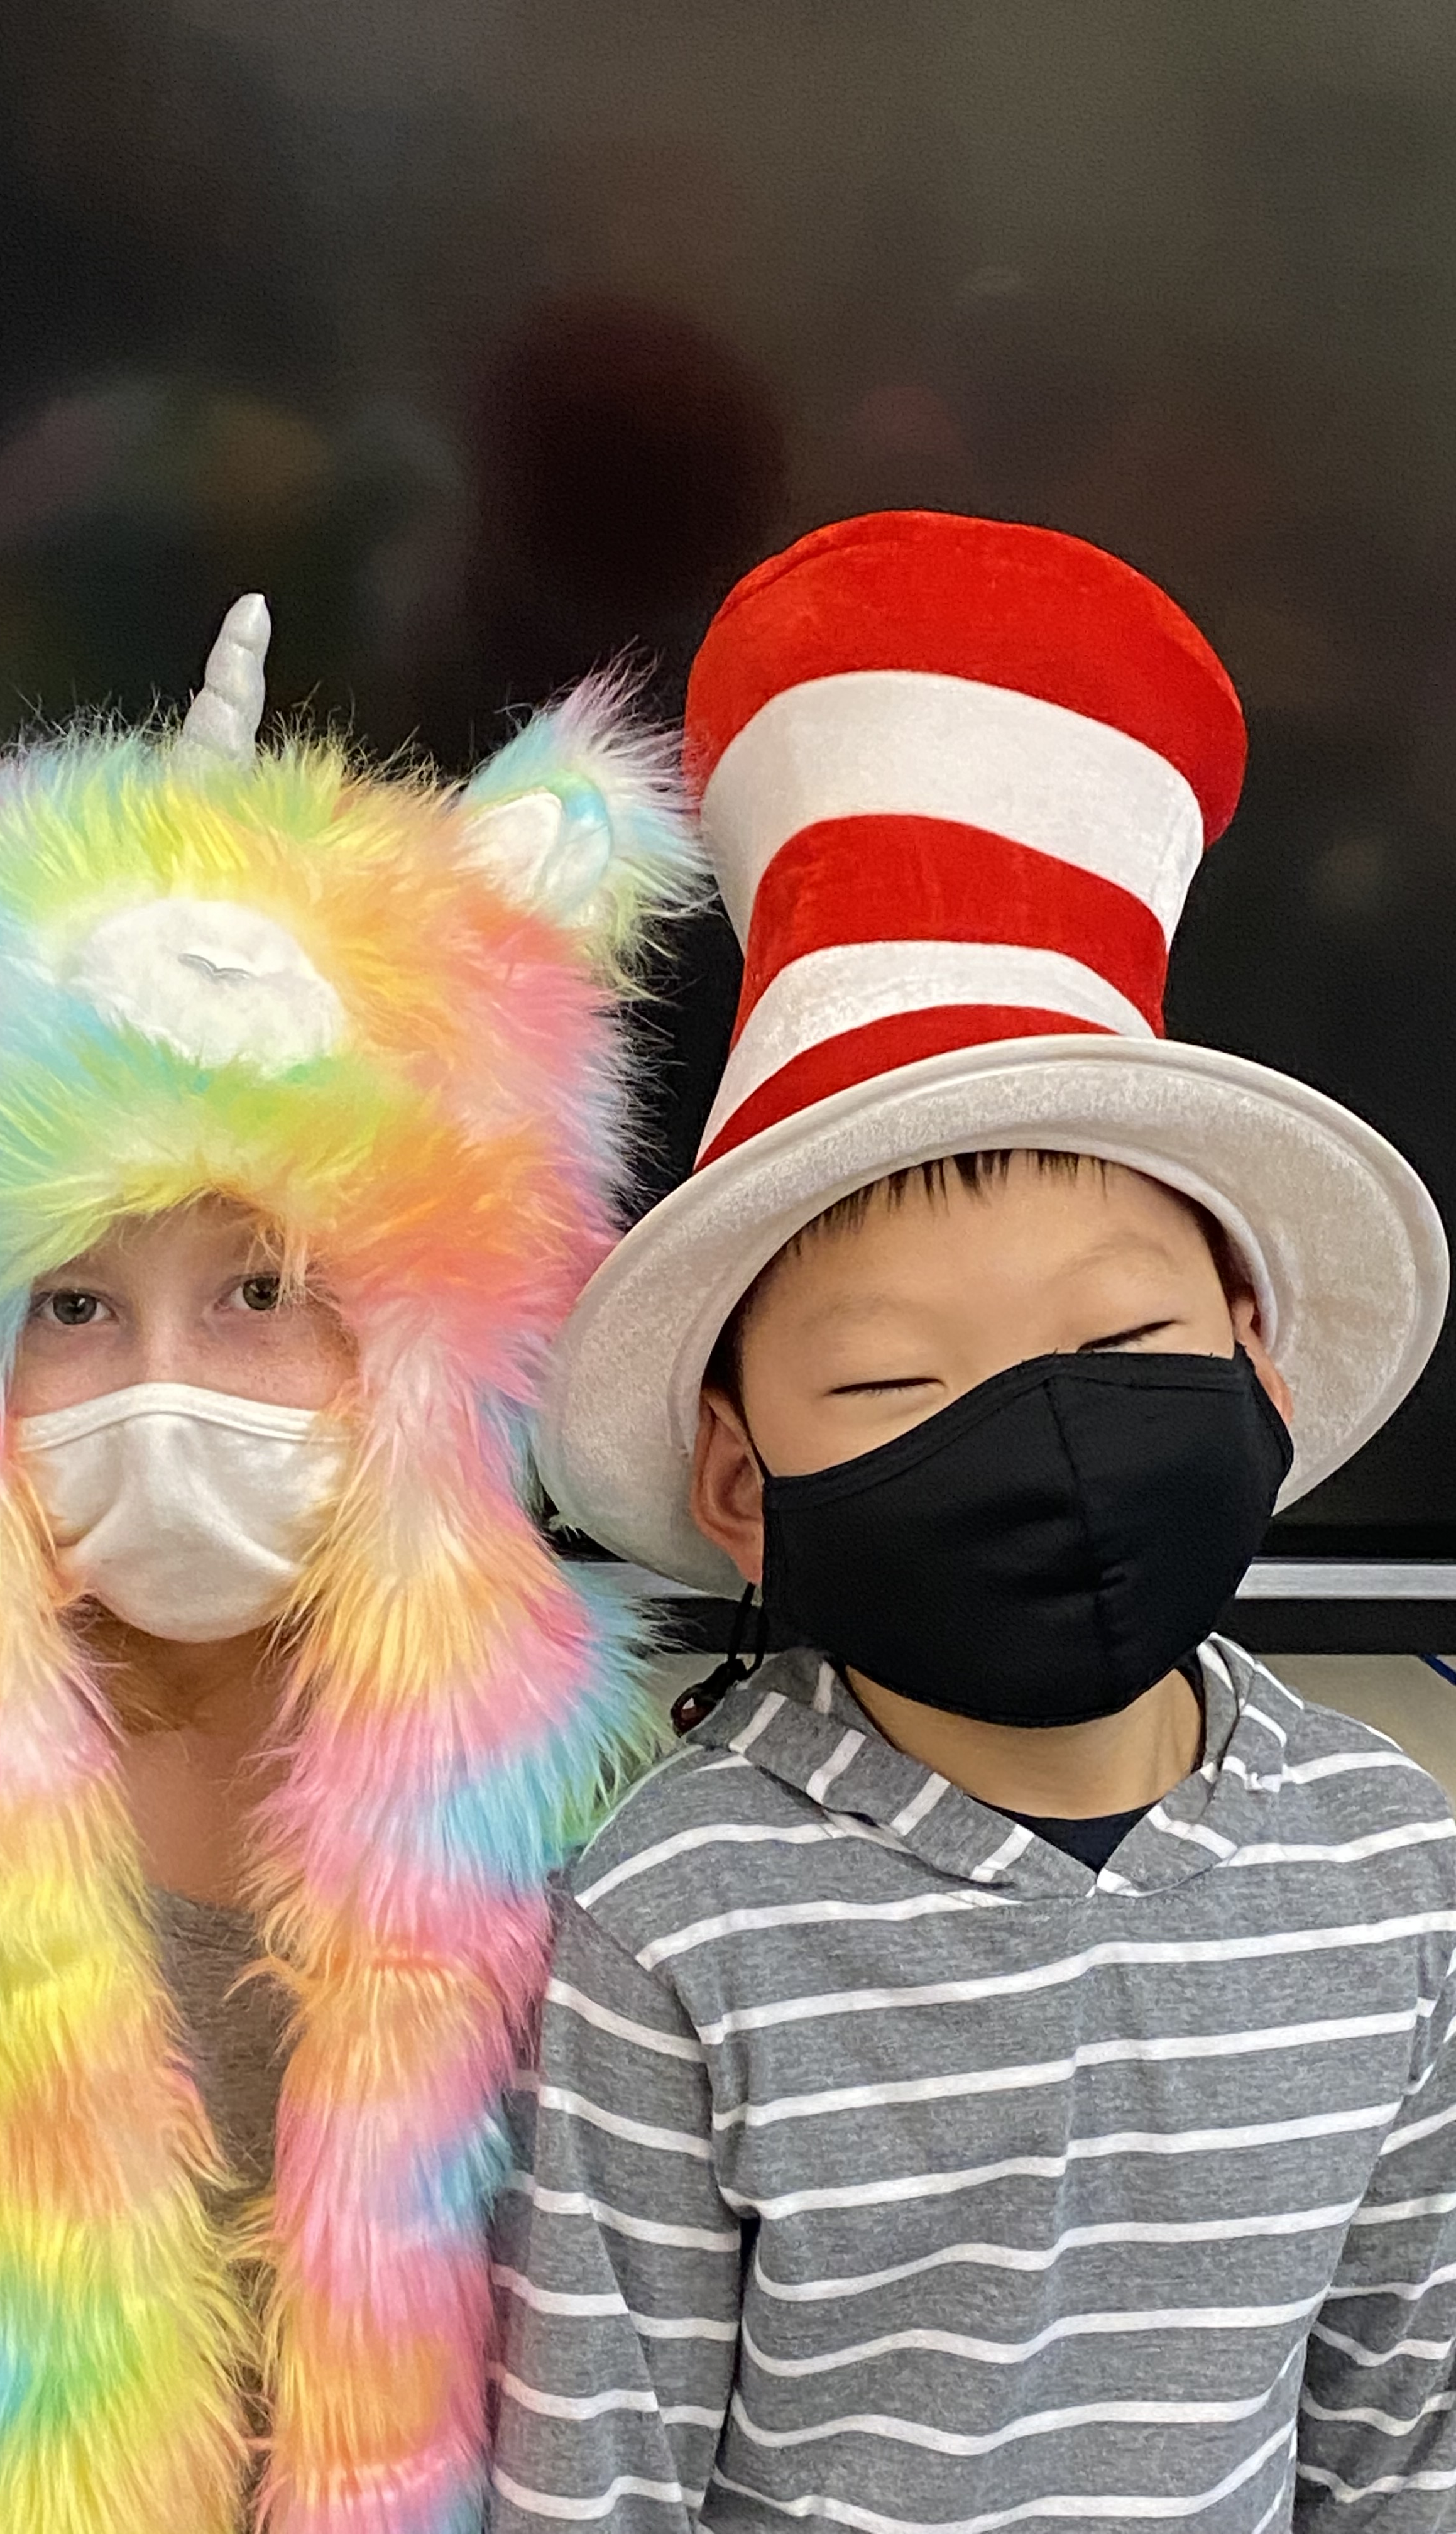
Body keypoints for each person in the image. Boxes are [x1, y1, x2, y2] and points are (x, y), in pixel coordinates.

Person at [0, 595, 702, 2534]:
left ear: (416, 1330)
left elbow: (661, 2335)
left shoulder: (570, 1786)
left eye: (262, 1290)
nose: (163, 1398)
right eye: (71, 1305)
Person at [492, 510, 1456, 2531]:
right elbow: (603, 2472)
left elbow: (1402, 2423)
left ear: (1259, 1360)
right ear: (744, 1482)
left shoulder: (1397, 1864)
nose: (1047, 1438)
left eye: (1121, 1336)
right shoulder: (676, 1919)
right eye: (894, 1386)